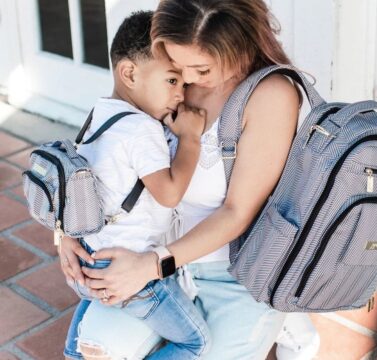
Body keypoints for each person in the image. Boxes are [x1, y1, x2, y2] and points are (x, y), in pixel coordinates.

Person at [60, 1, 319, 359]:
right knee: (97, 350)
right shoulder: (165, 64)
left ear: (237, 44)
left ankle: (284, 320)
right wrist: (66, 231)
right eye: (177, 70)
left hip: (230, 276)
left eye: (200, 68)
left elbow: (237, 212)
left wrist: (151, 264)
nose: (187, 82)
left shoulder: (271, 95)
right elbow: (105, 151)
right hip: (156, 267)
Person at [63, 10, 211, 360]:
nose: (181, 93)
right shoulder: (141, 128)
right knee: (196, 343)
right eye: (172, 81)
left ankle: (73, 352)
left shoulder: (98, 114)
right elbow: (169, 193)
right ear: (129, 73)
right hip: (131, 274)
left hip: (90, 262)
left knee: (85, 328)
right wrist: (190, 139)